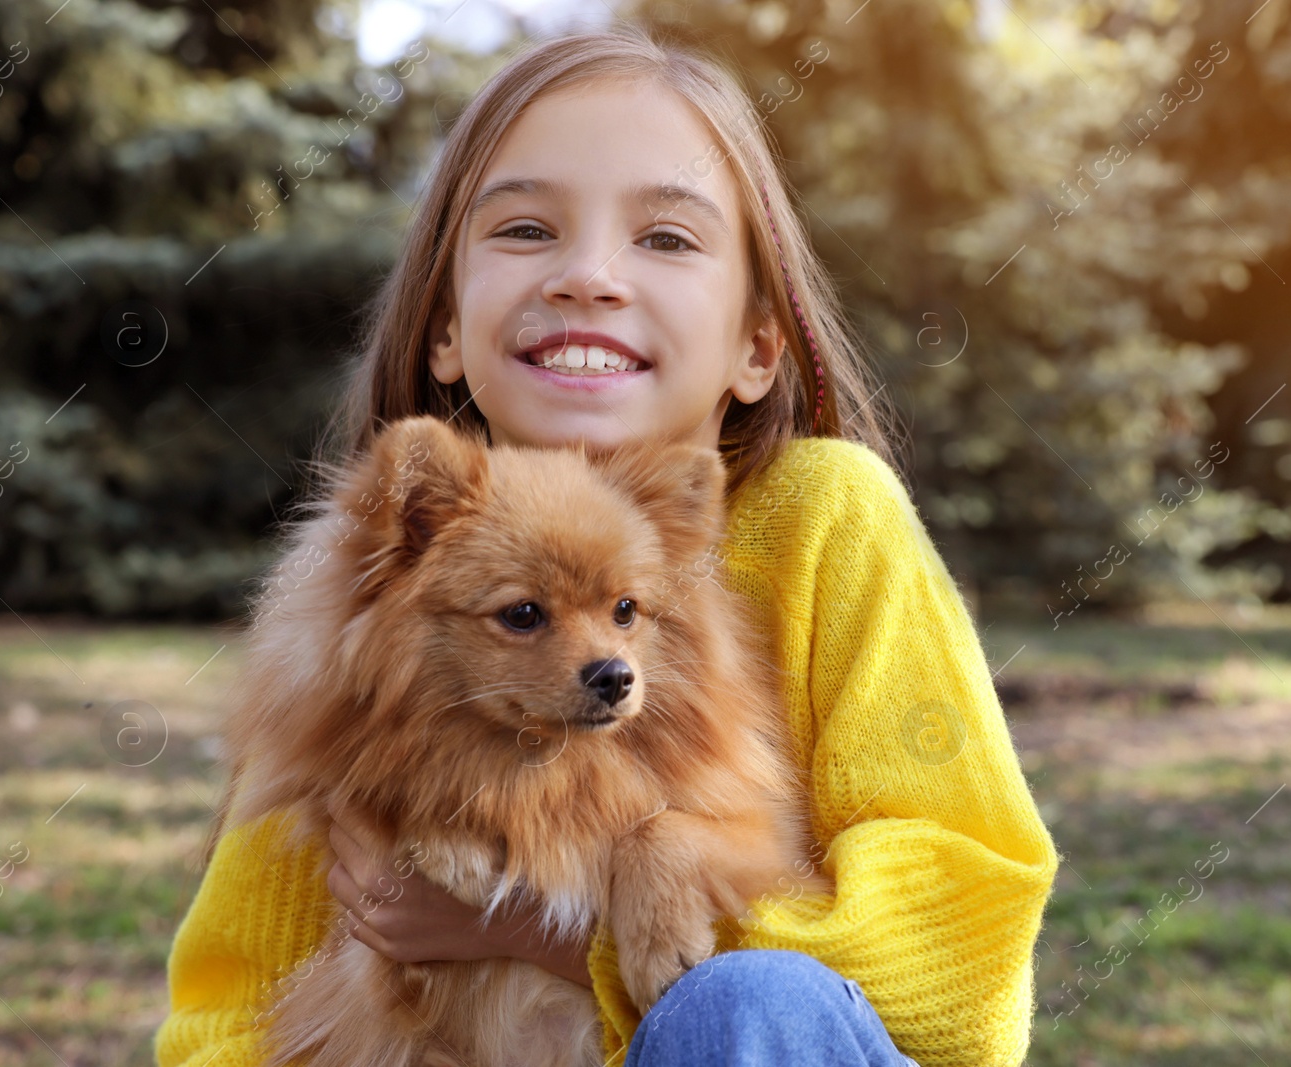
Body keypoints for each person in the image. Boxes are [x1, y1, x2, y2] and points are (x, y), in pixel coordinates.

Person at [155, 23, 1059, 1067]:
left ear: (758, 347)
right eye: (527, 229)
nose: (588, 275)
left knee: (749, 1003)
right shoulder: (376, 575)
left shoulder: (825, 515)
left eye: (666, 238)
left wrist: (560, 936)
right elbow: (227, 1012)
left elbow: (967, 950)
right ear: (445, 325)